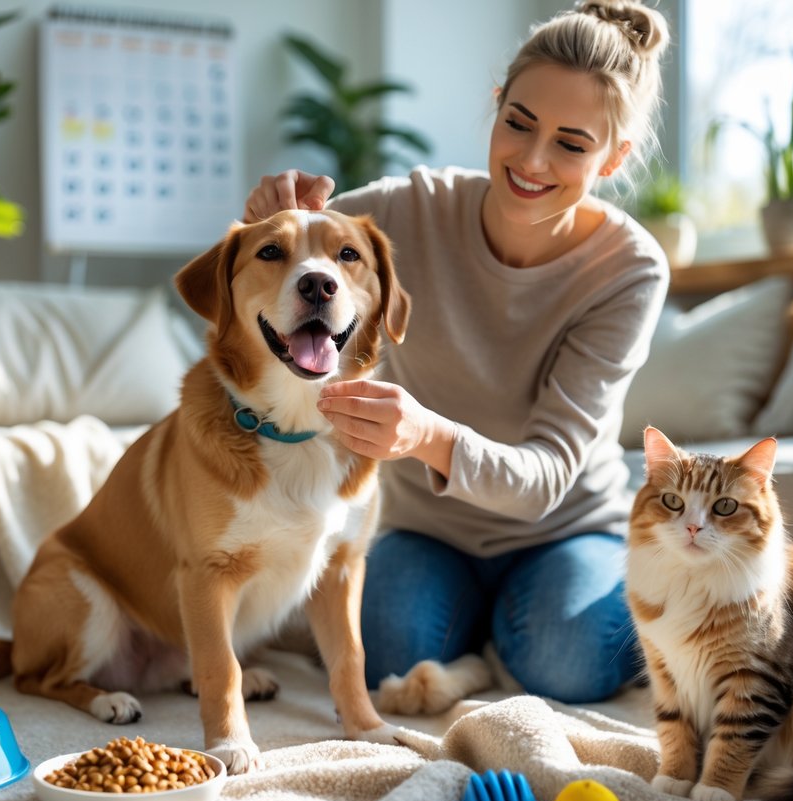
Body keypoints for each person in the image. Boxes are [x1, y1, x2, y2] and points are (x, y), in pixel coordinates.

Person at [243, 0, 671, 704]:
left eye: (570, 143)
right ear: (497, 104)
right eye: (518, 124)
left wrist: (425, 435)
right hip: (425, 527)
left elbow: (544, 478)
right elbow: (279, 266)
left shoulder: (628, 267)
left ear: (614, 156)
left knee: (569, 664)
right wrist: (269, 222)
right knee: (381, 655)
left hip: (562, 528)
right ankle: (484, 640)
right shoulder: (402, 210)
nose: (531, 161)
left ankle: (502, 640)